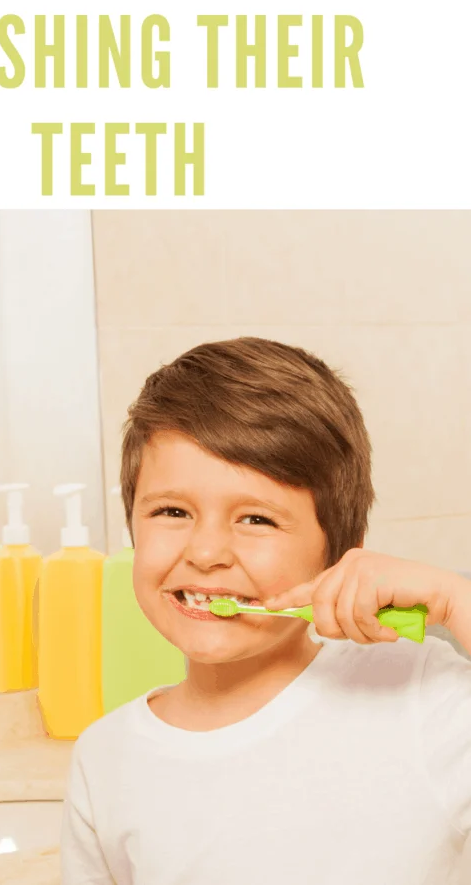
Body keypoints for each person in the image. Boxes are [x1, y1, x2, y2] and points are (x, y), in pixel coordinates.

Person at [60, 336, 471, 885]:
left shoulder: (422, 698)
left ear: (340, 551)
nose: (205, 553)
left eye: (256, 520)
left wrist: (456, 599)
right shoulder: (105, 760)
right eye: (172, 510)